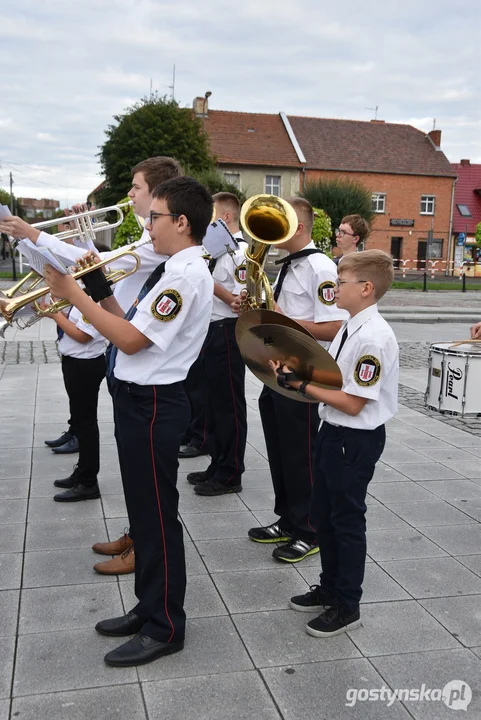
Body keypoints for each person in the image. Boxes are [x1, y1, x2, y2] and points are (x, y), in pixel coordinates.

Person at [44, 176, 214, 667]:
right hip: (143, 399)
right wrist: (98, 291)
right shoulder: (172, 269)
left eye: (154, 217)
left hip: (156, 401)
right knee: (144, 513)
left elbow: (133, 343)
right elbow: (134, 325)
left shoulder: (184, 275)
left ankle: (165, 626)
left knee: (157, 515)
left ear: (181, 222)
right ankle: (149, 607)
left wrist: (74, 295)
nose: (147, 225)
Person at [0, 157, 184, 576]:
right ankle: (138, 535)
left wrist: (34, 234)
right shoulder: (146, 236)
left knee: (151, 481)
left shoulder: (161, 249)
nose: (129, 195)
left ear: (157, 195)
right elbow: (97, 261)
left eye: (136, 187)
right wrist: (42, 242)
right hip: (127, 364)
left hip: (145, 373)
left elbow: (102, 264)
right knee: (138, 476)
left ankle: (148, 549)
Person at [273, 250, 398, 636]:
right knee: (324, 515)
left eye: (341, 283)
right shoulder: (350, 325)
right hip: (334, 432)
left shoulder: (374, 337)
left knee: (345, 521)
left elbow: (354, 401)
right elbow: (337, 380)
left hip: (354, 439)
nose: (334, 289)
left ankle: (347, 604)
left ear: (366, 288)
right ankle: (329, 587)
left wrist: (301, 385)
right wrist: (299, 372)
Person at [243, 197, 348, 562]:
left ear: (298, 227)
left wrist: (284, 321)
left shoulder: (321, 267)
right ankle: (287, 519)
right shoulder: (288, 264)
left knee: (301, 453)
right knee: (279, 448)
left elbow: (335, 326)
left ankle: (310, 528)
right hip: (279, 367)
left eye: (280, 222)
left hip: (305, 369)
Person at [186, 192, 248, 495]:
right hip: (209, 330)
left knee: (228, 406)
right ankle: (216, 462)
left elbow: (239, 300)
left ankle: (231, 471)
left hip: (228, 331)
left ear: (225, 219)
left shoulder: (241, 253)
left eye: (211, 218)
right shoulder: (213, 252)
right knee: (210, 403)